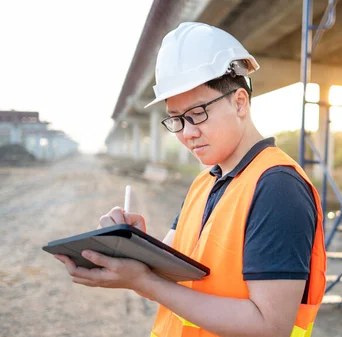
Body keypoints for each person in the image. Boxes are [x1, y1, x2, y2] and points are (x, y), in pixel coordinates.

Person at [53, 22, 326, 337]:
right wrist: (132, 247)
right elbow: (171, 280)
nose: (186, 133)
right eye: (176, 120)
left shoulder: (277, 187)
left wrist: (143, 281)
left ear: (240, 102)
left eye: (196, 114)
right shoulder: (205, 182)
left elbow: (269, 325)